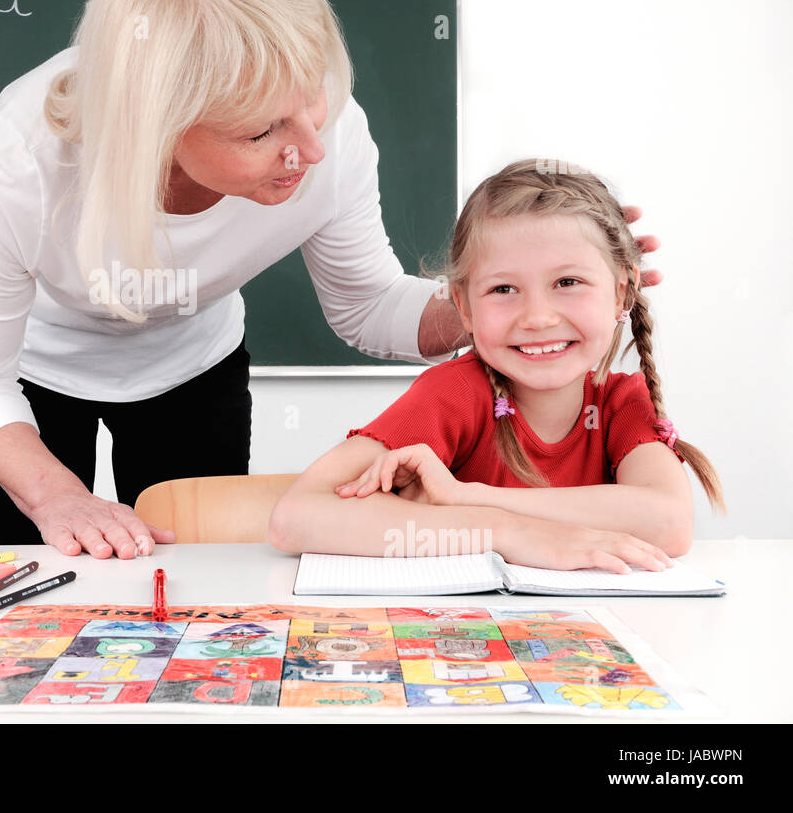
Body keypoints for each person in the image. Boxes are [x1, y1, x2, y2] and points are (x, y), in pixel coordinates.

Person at [0, 0, 659, 560]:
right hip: (28, 378)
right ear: (158, 125)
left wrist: (511, 296)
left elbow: (369, 306)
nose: (309, 148)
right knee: (35, 577)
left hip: (194, 368)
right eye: (259, 131)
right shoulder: (24, 155)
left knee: (203, 580)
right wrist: (56, 498)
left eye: (310, 101)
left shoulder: (325, 134)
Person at [268, 159, 722, 572]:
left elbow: (670, 523)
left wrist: (468, 498)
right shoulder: (455, 394)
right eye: (504, 289)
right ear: (463, 308)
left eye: (568, 281)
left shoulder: (622, 400)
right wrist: (506, 532)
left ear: (621, 292)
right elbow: (296, 517)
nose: (538, 317)